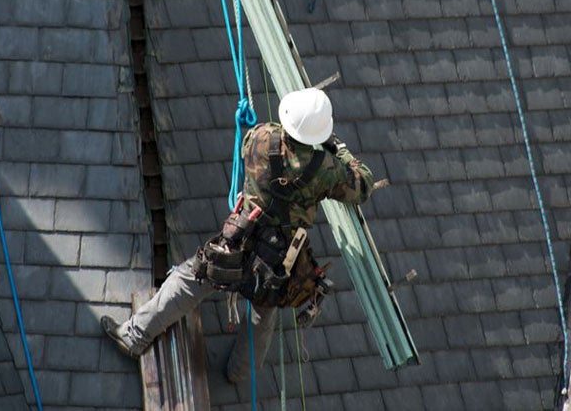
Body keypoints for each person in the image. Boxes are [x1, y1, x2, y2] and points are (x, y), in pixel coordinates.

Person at [101, 87, 375, 382]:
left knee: (193, 278)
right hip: (279, 255)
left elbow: (249, 147)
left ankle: (134, 336)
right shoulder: (326, 169)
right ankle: (239, 374)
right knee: (262, 312)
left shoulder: (260, 136)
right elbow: (363, 184)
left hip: (241, 236)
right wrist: (338, 148)